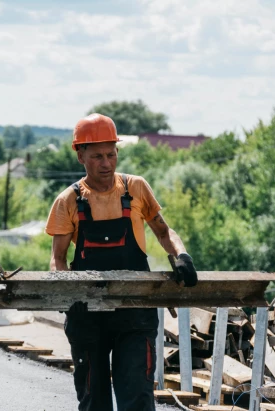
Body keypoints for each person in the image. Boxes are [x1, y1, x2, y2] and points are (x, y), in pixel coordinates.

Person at [45, 113, 198, 411]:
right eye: (97, 156)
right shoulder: (68, 201)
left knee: (138, 398)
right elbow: (58, 259)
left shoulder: (136, 189)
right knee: (94, 401)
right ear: (80, 156)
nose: (106, 163)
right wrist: (67, 293)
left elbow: (164, 232)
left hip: (135, 313)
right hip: (87, 315)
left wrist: (180, 255)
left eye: (111, 154)